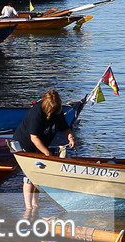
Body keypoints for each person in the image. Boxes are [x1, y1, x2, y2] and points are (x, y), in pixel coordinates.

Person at [13, 89, 77, 218]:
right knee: (29, 175)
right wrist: (48, 154)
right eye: (51, 110)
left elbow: (64, 127)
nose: (53, 112)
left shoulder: (57, 112)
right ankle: (28, 207)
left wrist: (70, 137)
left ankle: (35, 204)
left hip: (41, 144)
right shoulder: (37, 112)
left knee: (39, 173)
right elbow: (34, 137)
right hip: (25, 144)